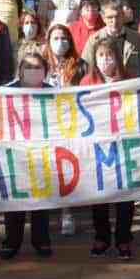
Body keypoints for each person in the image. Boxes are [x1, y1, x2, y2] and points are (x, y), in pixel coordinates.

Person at [81, 39, 135, 260]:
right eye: (101, 55)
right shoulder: (86, 82)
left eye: (110, 55)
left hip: (124, 146)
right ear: (95, 58)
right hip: (97, 147)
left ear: (118, 57)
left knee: (126, 196)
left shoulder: (130, 81)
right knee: (100, 195)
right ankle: (101, 237)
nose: (105, 60)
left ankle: (123, 238)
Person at [0, 53, 55, 260]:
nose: (33, 71)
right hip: (14, 153)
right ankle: (11, 241)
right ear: (20, 70)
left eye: (37, 67)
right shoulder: (6, 92)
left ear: (45, 71)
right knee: (15, 200)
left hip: (42, 154)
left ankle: (41, 240)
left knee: (41, 200)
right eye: (28, 67)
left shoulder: (53, 92)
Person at [42, 23, 88, 237]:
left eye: (64, 38)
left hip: (72, 123)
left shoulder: (81, 66)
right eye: (56, 38)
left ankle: (67, 212)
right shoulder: (39, 65)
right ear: (48, 42)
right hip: (46, 124)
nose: (60, 43)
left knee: (66, 167)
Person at [82, 0, 140, 79]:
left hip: (132, 88)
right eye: (110, 17)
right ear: (103, 18)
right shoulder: (94, 40)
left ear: (123, 15)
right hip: (105, 88)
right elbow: (86, 69)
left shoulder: (137, 39)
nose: (114, 21)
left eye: (117, 16)